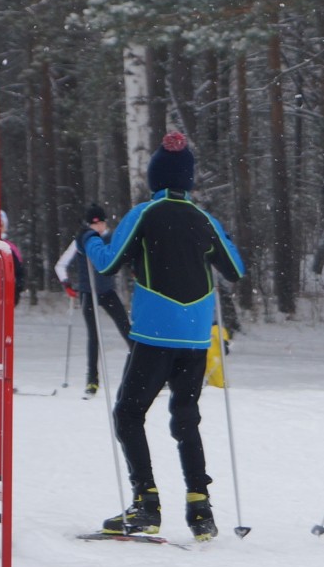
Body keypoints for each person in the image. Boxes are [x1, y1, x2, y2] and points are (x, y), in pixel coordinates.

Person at [83, 133, 246, 541]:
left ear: (155, 178)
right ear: (188, 181)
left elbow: (108, 263)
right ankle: (200, 508)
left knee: (128, 412)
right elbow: (236, 270)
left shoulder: (145, 213)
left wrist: (89, 240)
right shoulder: (204, 219)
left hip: (155, 333)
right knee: (185, 417)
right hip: (194, 338)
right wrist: (218, 242)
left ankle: (146, 503)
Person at [55, 204, 132, 397]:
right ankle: (92, 382)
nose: (97, 227)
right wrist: (67, 284)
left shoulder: (112, 237)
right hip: (88, 292)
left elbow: (124, 255)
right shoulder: (82, 240)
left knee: (127, 329)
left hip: (107, 291)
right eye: (93, 224)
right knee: (94, 336)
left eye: (100, 223)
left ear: (105, 222)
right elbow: (60, 265)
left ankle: (145, 372)